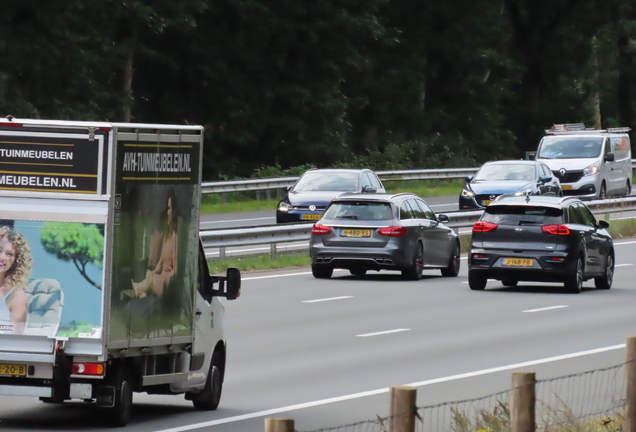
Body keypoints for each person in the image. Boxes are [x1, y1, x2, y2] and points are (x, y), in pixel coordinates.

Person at [131, 189, 178, 298]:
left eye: (169, 209)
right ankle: (142, 294)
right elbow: (161, 261)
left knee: (151, 279)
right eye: (167, 208)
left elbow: (176, 268)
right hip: (161, 278)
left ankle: (137, 289)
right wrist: (153, 272)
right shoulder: (167, 235)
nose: (167, 213)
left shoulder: (176, 238)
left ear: (174, 211)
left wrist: (166, 279)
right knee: (149, 274)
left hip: (167, 283)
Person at [0, 226, 32, 335]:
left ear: (15, 261)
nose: (2, 257)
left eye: (9, 254)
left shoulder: (16, 295)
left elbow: (16, 341)